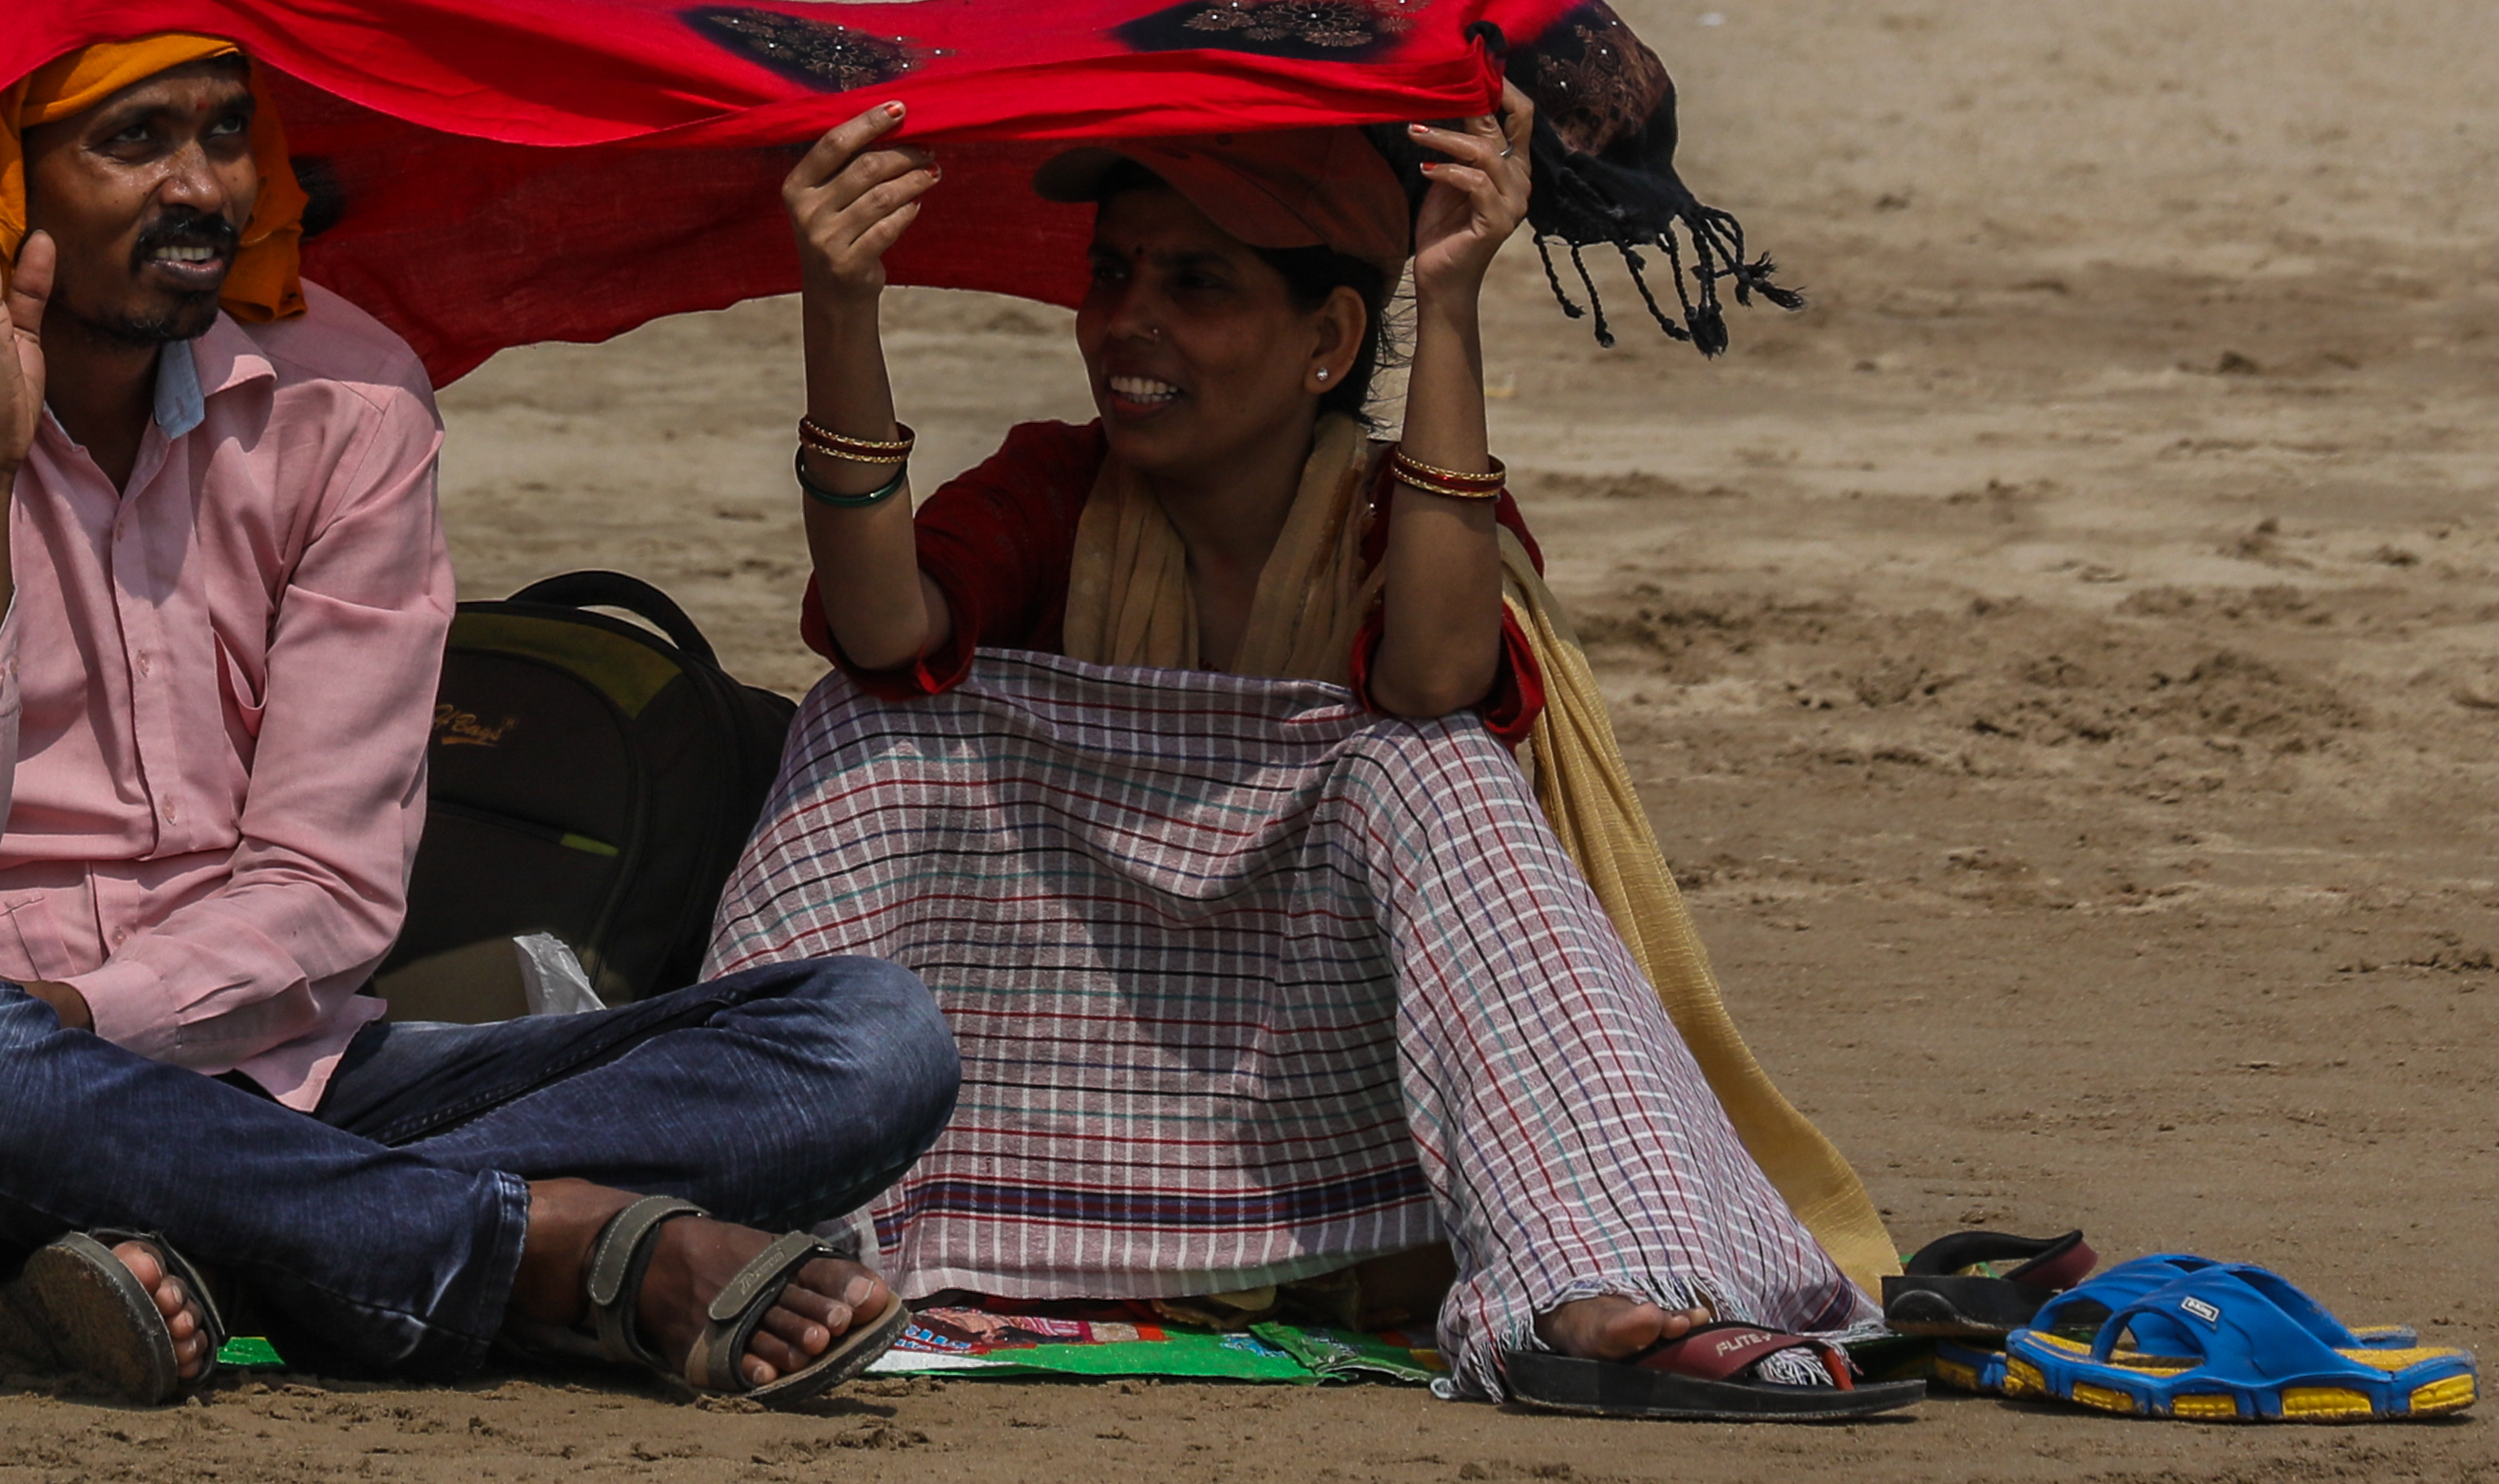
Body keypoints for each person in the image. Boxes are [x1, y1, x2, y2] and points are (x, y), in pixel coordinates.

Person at [0, 34, 957, 1405]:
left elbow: (329, 887)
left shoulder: (348, 402)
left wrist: (63, 1017)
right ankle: (535, 1254)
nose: (200, 186)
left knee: (870, 1036)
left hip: (273, 1078)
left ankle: (219, 1248)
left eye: (226, 132)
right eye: (131, 141)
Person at [703, 94, 1917, 1418]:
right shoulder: (1053, 488)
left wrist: (1449, 299)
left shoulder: (1397, 514)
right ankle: (764, 1230)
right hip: (1071, 1064)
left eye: (1196, 281)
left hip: (1333, 1095)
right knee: (871, 724)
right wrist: (838, 303)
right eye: (1112, 272)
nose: (1127, 322)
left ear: (1328, 339)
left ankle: (1592, 1275)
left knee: (1427, 764)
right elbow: (886, 630)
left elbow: (1433, 676)